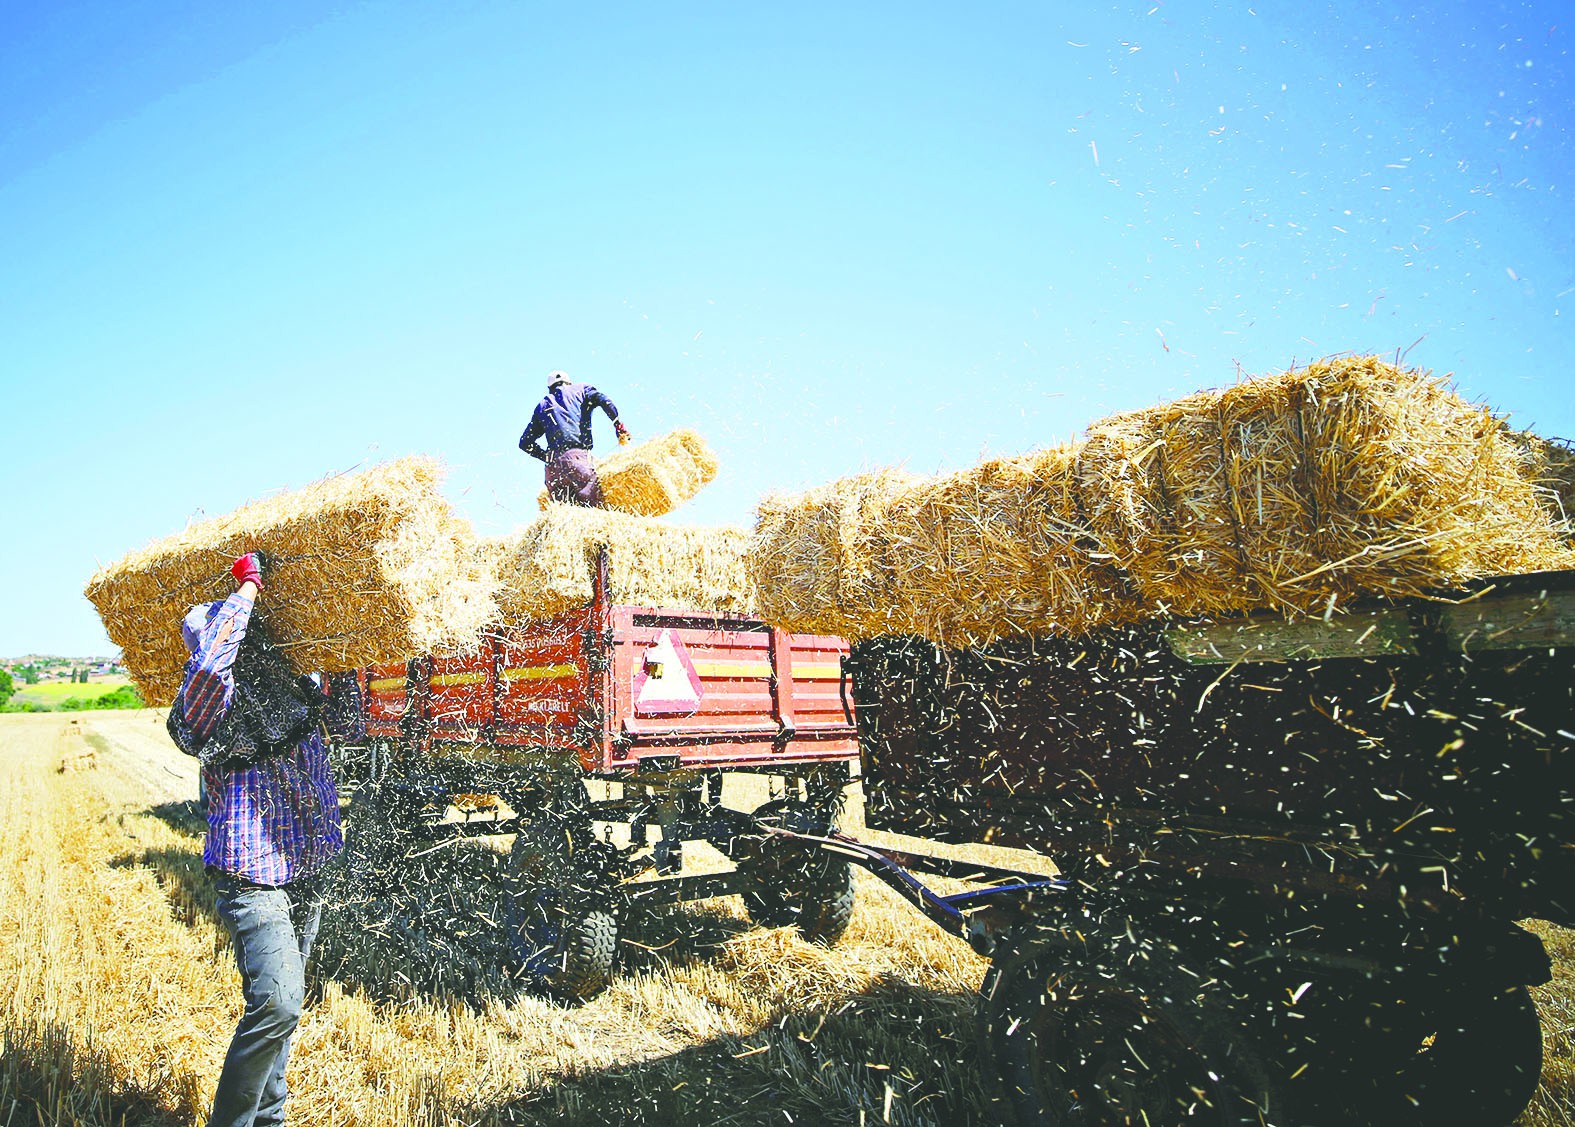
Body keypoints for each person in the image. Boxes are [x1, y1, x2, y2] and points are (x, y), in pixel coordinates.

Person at [166, 551, 343, 1127]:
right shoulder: (206, 707)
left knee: (282, 1015)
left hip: (307, 865)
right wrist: (245, 590)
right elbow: (213, 664)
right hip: (252, 872)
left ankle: (270, 1119)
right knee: (277, 1002)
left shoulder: (293, 690)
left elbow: (338, 660)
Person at [518, 369, 630, 507]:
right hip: (578, 461)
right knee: (594, 511)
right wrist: (617, 424)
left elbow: (524, 443)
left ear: (550, 388)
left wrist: (547, 457)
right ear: (569, 382)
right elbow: (604, 401)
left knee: (564, 516)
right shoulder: (581, 390)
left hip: (553, 469)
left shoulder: (543, 405)